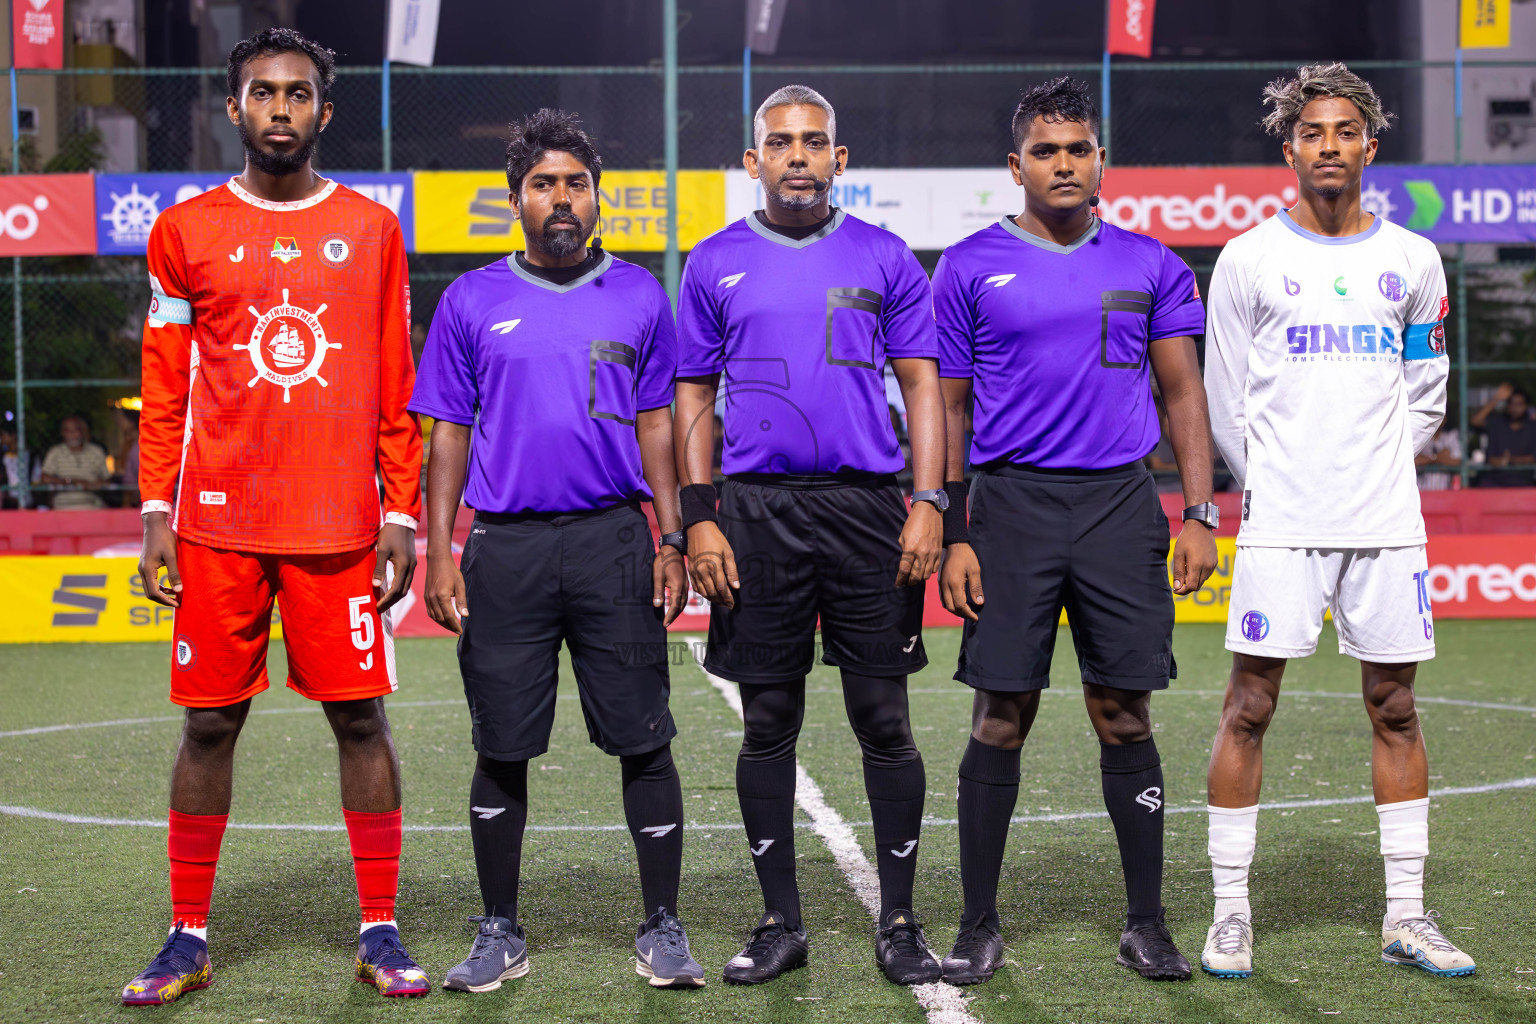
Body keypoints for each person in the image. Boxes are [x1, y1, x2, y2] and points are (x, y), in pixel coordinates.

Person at [125, 29, 428, 1005]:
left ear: (324, 112)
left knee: (360, 719)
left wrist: (403, 515)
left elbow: (395, 387)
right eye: (264, 93)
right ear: (234, 108)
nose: (282, 109)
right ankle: (186, 935)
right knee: (208, 724)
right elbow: (164, 383)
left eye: (299, 94)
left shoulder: (375, 233)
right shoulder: (184, 231)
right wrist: (156, 508)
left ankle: (379, 929)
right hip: (216, 524)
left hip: (338, 527)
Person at [933, 76, 1217, 986]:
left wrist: (1201, 512)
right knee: (1000, 715)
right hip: (1009, 509)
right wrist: (954, 522)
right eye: (1047, 151)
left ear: (1101, 161)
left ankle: (1147, 922)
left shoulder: (1151, 263)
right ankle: (978, 923)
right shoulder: (970, 265)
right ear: (1016, 166)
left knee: (1121, 710)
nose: (1065, 163)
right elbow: (947, 405)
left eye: (1079, 148)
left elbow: (1183, 394)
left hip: (1118, 507)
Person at [413, 109, 703, 992]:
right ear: (516, 200)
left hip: (617, 540)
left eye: (576, 182)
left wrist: (673, 533)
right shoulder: (470, 301)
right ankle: (499, 927)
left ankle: (663, 924)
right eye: (544, 184)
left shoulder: (641, 294)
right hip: (507, 548)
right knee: (502, 743)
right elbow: (447, 436)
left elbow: (661, 425)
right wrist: (440, 548)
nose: (562, 197)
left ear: (596, 194)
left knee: (643, 739)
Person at [1202, 63, 1474, 979]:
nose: (1329, 145)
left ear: (1369, 143)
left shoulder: (1412, 259)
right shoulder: (1247, 258)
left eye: (1345, 131)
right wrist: (1277, 482)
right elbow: (1225, 394)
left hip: (1386, 523)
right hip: (1282, 522)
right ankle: (1230, 913)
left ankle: (1407, 914)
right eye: (1312, 132)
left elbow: (1426, 390)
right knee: (1249, 704)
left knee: (1395, 706)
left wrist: (1372, 474)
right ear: (1290, 149)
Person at [675, 84, 948, 986]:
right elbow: (692, 402)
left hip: (869, 510)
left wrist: (928, 501)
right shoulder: (713, 262)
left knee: (883, 718)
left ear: (841, 159)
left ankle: (901, 922)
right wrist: (700, 516)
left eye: (815, 142)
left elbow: (922, 388)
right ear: (752, 162)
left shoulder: (886, 256)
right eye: (780, 143)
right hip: (754, 514)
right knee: (769, 720)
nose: (798, 155)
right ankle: (780, 922)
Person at [39, 413, 109, 509]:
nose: (73, 434)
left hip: (91, 505)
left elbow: (107, 479)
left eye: (76, 430)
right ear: (63, 433)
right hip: (63, 506)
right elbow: (45, 478)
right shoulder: (55, 452)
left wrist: (93, 484)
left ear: (82, 431)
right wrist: (71, 481)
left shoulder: (96, 452)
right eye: (68, 431)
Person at [1471, 384, 1535, 487]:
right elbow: (1475, 421)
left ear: (1526, 406)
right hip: (1495, 482)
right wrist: (1496, 399)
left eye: (1519, 404)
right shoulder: (1498, 423)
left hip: (1524, 483)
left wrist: (1508, 460)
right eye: (1512, 404)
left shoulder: (1532, 427)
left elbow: (1532, 458)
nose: (1515, 408)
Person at [1414, 423, 1460, 491]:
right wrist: (1438, 457)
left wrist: (1427, 459)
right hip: (1421, 490)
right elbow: (1414, 461)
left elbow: (1457, 461)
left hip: (1444, 490)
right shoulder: (1419, 435)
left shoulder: (1450, 435)